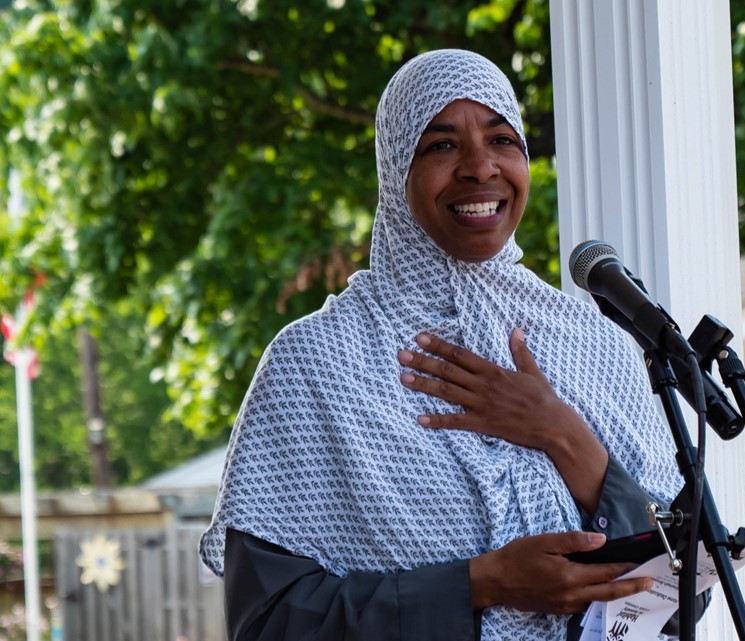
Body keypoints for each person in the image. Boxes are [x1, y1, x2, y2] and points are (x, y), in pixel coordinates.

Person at [199, 49, 688, 641]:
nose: (481, 168)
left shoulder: (597, 346)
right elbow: (269, 622)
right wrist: (481, 584)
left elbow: (686, 599)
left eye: (502, 140)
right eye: (441, 145)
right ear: (394, 168)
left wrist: (562, 434)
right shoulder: (318, 362)